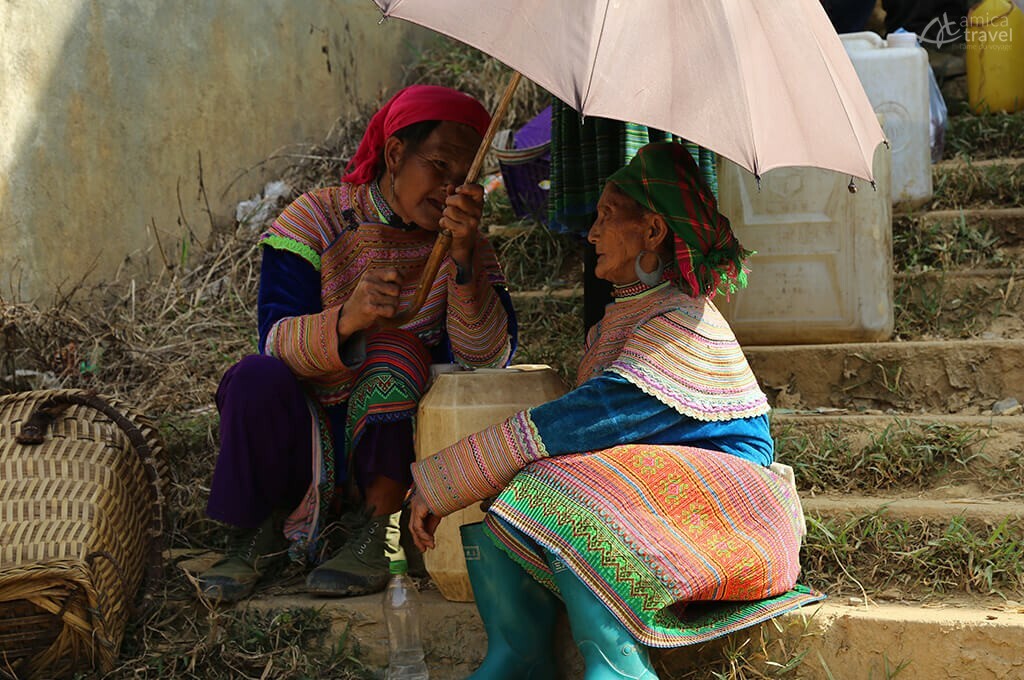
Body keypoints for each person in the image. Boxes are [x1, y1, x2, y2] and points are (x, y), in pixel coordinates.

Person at [408, 142, 823, 679]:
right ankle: (519, 658)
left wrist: (445, 479)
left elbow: (586, 418)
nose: (593, 233)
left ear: (652, 232)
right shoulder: (623, 320)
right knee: (531, 483)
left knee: (555, 484)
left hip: (737, 517)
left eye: (607, 217)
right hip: (666, 502)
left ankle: (620, 668)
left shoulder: (681, 321)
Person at [199, 85, 517, 602]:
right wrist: (346, 320)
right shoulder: (316, 219)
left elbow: (487, 360)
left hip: (396, 445)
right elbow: (276, 342)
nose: (449, 188)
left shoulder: (465, 246)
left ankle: (376, 528)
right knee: (253, 377)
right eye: (438, 167)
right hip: (307, 428)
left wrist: (463, 263)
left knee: (398, 349)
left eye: (463, 179)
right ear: (395, 154)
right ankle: (258, 531)